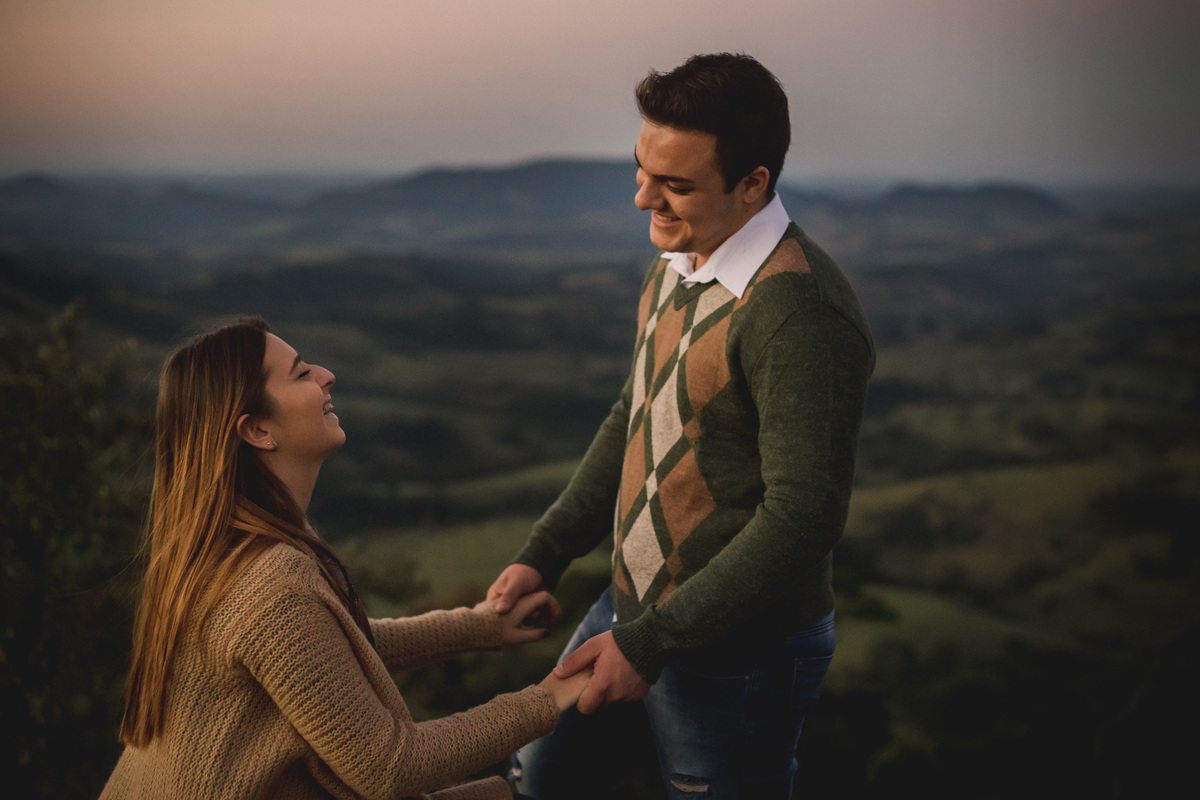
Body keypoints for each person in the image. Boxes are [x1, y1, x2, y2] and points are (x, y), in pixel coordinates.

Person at [487, 53, 875, 798]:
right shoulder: (677, 264)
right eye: (641, 171)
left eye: (675, 184)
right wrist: (547, 551)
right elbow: (633, 416)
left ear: (752, 183)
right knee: (538, 779)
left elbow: (805, 515)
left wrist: (654, 640)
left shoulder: (800, 313)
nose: (643, 199)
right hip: (629, 608)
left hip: (743, 651)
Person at [101, 317, 590, 800]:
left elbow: (330, 656)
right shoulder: (271, 583)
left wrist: (481, 627)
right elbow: (392, 766)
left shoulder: (233, 542)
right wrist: (547, 699)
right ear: (258, 429)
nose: (326, 375)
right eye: (301, 373)